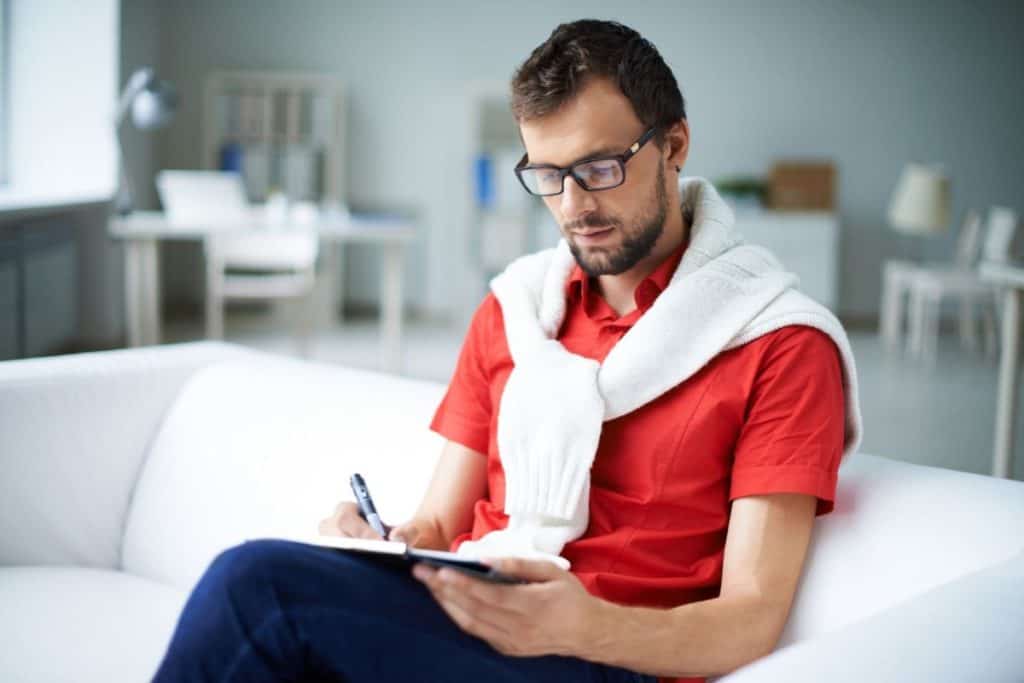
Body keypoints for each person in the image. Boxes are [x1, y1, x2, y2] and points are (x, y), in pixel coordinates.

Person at [153, 19, 860, 683]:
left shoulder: (779, 343)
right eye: (548, 175)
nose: (574, 204)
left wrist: (587, 627)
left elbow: (751, 618)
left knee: (257, 590)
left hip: (612, 657)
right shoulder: (516, 310)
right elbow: (436, 523)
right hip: (480, 615)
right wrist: (376, 541)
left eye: (601, 167)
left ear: (674, 144)